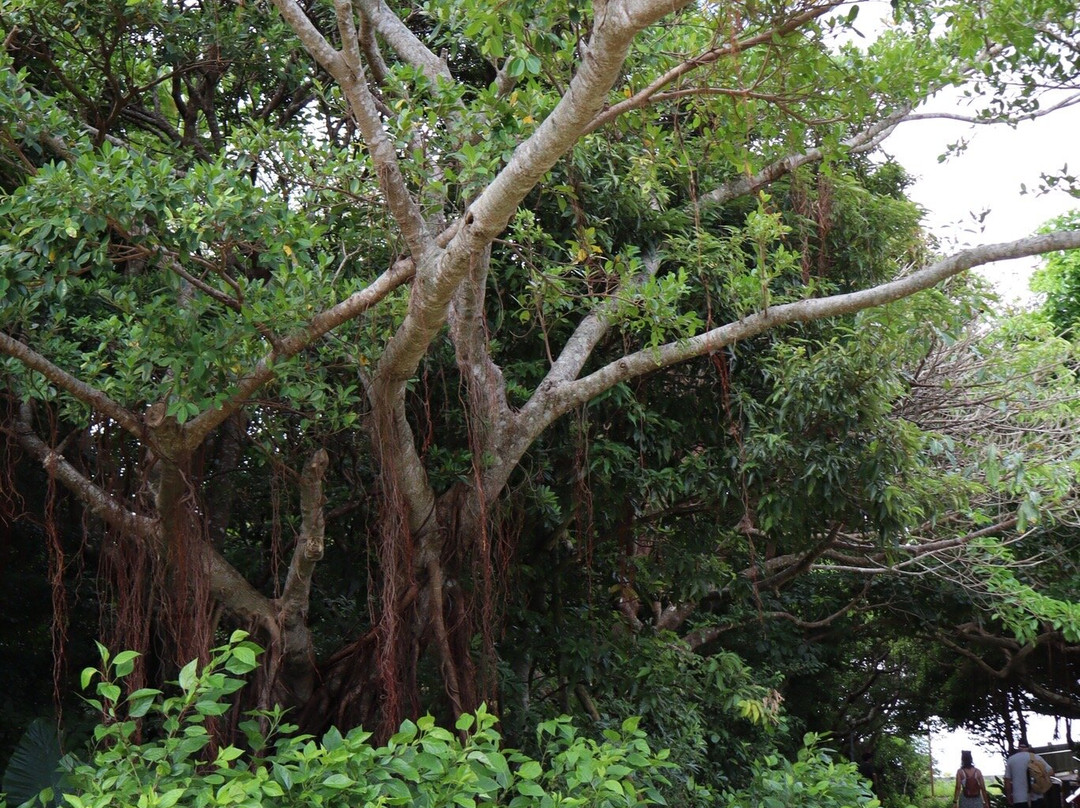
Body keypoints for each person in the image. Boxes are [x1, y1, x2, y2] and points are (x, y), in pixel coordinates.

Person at [1004, 741, 1054, 807]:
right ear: (1028, 747)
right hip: (1037, 797)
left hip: (1019, 799)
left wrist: (1008, 796)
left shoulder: (1011, 760)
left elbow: (1007, 781)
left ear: (1018, 747)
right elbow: (1051, 772)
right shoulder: (1036, 758)